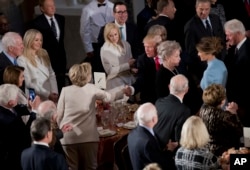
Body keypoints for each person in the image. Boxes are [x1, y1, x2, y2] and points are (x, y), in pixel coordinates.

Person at [57, 62, 122, 170]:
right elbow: (109, 97)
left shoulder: (65, 90)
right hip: (88, 137)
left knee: (72, 168)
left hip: (68, 137)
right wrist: (122, 91)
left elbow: (59, 115)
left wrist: (62, 128)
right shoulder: (91, 88)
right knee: (90, 167)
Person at [29, 0, 67, 93]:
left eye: (53, 5)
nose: (53, 7)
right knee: (50, 85)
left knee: (61, 83)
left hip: (61, 58)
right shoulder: (37, 23)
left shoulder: (61, 19)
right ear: (42, 8)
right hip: (46, 59)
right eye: (49, 6)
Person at [184, 0, 225, 84]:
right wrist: (208, 64)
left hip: (220, 63)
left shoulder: (216, 19)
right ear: (196, 8)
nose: (204, 12)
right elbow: (191, 51)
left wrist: (221, 60)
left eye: (207, 9)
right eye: (201, 9)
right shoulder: (190, 26)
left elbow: (222, 39)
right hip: (204, 68)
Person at [127, 102, 178, 170]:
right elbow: (161, 164)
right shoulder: (147, 143)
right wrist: (169, 150)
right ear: (154, 119)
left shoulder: (132, 134)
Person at [0, 84, 39, 170]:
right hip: (15, 157)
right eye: (16, 97)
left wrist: (28, 107)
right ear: (10, 102)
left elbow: (16, 109)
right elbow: (26, 134)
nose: (18, 98)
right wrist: (34, 112)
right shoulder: (9, 122)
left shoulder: (4, 105)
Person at [199, 84, 243, 156]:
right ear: (223, 101)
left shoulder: (202, 109)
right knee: (247, 133)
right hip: (223, 151)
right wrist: (234, 113)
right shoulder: (225, 117)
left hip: (206, 148)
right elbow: (240, 132)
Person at [17, 29, 58, 103]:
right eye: (36, 40)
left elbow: (51, 74)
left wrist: (54, 92)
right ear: (29, 40)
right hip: (34, 95)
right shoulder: (22, 59)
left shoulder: (44, 54)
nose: (39, 42)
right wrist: (47, 94)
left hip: (50, 94)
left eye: (41, 40)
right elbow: (28, 83)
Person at [224, 19, 250, 127]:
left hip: (245, 103)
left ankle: (248, 143)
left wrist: (238, 104)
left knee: (247, 130)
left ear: (238, 33)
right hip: (239, 103)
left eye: (229, 35)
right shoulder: (236, 49)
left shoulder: (247, 53)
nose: (226, 38)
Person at [153, 74, 192, 149]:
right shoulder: (184, 110)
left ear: (169, 86)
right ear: (187, 90)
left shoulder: (159, 102)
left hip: (153, 145)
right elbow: (180, 139)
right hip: (167, 152)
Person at [123, 34, 162, 104]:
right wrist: (131, 89)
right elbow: (141, 79)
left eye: (149, 47)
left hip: (165, 98)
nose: (146, 50)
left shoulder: (167, 56)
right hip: (149, 99)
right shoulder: (142, 59)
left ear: (157, 47)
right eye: (145, 46)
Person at [80, 0, 114, 73]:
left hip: (112, 43)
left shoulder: (113, 6)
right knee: (99, 71)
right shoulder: (87, 9)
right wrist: (88, 49)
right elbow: (84, 30)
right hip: (96, 45)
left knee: (112, 68)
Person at [100, 23, 137, 91]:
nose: (114, 38)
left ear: (119, 33)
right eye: (111, 36)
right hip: (115, 82)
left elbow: (130, 61)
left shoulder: (126, 44)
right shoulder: (106, 49)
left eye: (115, 34)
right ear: (107, 36)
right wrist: (127, 65)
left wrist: (131, 69)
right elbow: (110, 71)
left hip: (129, 79)